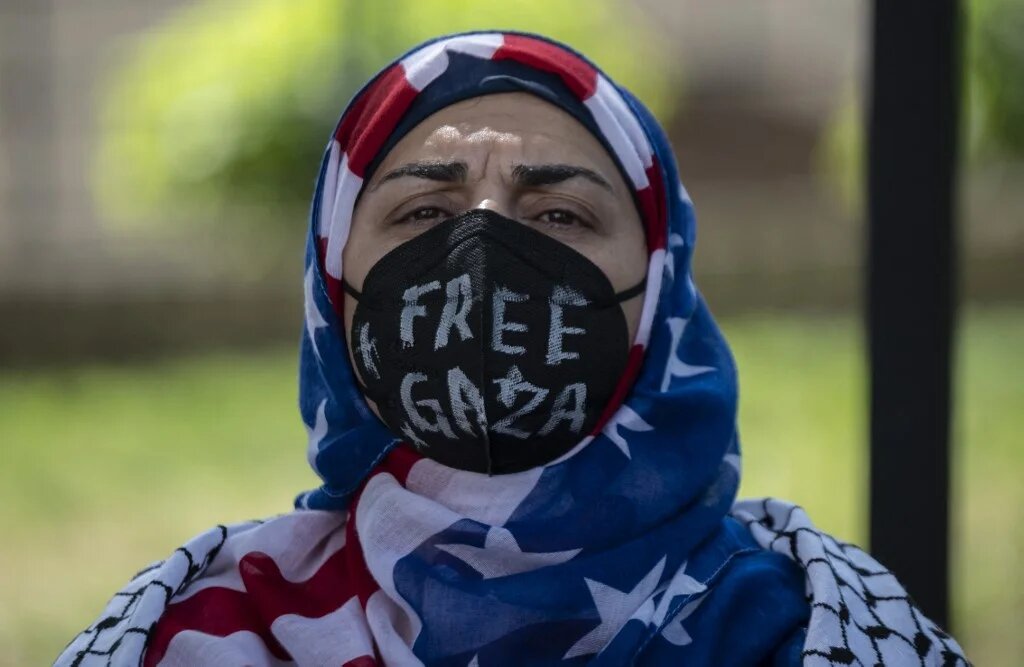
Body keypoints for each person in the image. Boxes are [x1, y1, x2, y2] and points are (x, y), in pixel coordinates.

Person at [57, 32, 968, 666]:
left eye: (561, 215)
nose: (486, 250)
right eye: (423, 214)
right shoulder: (201, 631)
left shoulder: (809, 629)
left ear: (657, 287)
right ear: (334, 291)